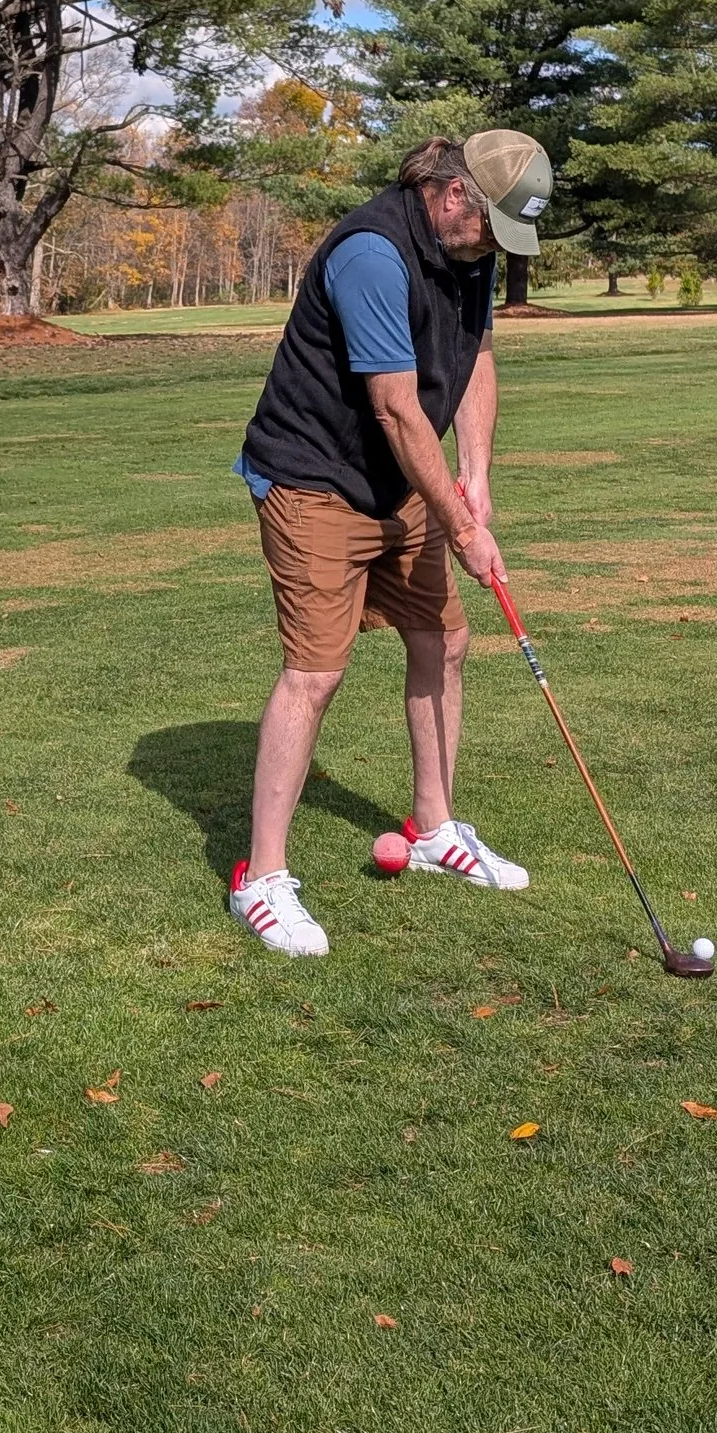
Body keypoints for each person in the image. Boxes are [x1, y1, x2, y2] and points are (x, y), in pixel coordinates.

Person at [227, 130, 554, 960]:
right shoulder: (373, 254)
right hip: (313, 477)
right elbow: (397, 410)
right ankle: (260, 879)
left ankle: (438, 829)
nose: (494, 250)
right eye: (491, 229)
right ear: (453, 197)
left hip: (400, 481)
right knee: (316, 671)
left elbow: (475, 352)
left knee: (444, 640)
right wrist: (464, 529)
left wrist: (476, 473)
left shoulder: (467, 251)